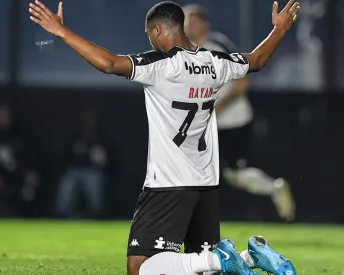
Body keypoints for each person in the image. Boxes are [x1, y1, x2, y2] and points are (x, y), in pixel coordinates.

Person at [28, 1, 300, 274]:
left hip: (169, 183)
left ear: (158, 30)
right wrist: (278, 30)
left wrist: (61, 31)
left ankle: (221, 259)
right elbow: (257, 60)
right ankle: (251, 257)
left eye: (149, 35)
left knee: (140, 267)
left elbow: (108, 63)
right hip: (206, 183)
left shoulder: (161, 65)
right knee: (198, 269)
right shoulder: (214, 62)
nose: (150, 40)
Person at [183, 4, 296, 222]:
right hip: (210, 122)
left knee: (230, 173)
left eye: (192, 20)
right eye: (185, 20)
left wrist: (215, 109)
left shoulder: (217, 46)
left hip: (232, 121)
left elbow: (243, 84)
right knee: (218, 171)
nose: (187, 24)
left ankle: (274, 188)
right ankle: (273, 188)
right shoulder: (185, 53)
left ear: (205, 25)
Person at [0, 103, 41, 217]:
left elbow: (29, 157)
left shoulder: (20, 135)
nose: (2, 119)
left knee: (29, 191)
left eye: (5, 116)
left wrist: (30, 172)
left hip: (19, 179)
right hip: (0, 179)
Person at [56, 108, 110, 219]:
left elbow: (107, 162)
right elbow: (65, 157)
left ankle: (95, 216)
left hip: (93, 172)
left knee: (94, 181)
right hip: (74, 171)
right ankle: (64, 215)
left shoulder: (100, 140)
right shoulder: (75, 138)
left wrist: (99, 158)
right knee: (68, 183)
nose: (88, 124)